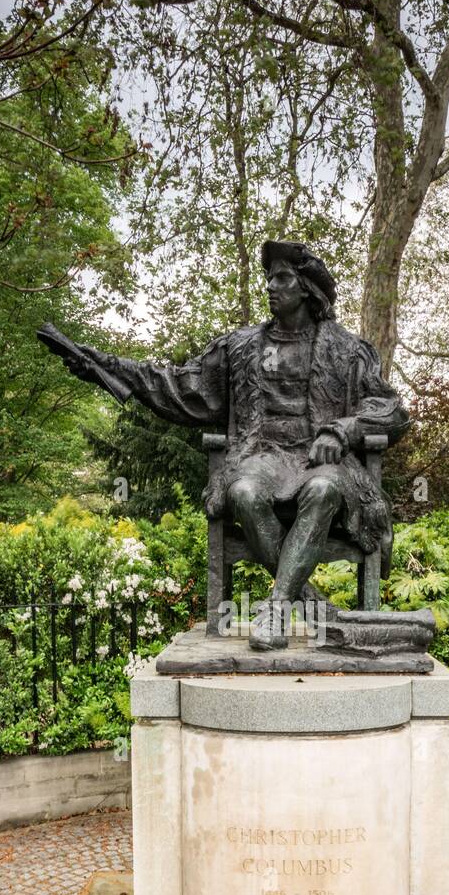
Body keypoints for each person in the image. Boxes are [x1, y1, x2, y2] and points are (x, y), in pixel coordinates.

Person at [55, 240, 410, 649]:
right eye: (269, 278)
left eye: (282, 278)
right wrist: (104, 367)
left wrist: (344, 430)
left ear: (307, 287)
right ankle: (309, 603)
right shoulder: (241, 348)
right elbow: (179, 386)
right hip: (261, 455)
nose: (271, 287)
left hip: (321, 461)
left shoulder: (347, 350)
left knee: (323, 490)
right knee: (242, 492)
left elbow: (392, 409)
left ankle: (277, 607)